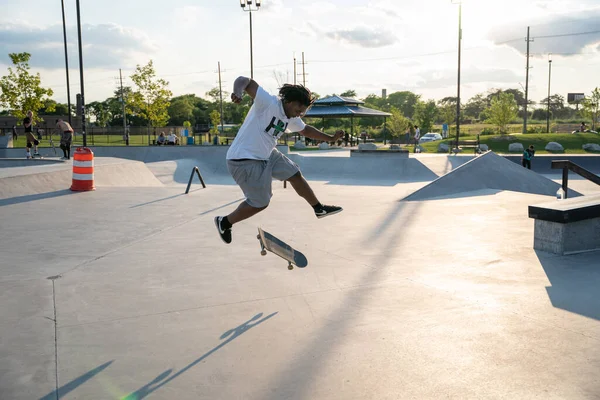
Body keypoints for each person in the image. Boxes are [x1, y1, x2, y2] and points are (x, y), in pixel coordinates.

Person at [214, 76, 344, 244]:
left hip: (267, 154)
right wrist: (237, 92)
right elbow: (244, 80)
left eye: (302, 112)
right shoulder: (268, 102)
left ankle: (318, 209)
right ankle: (225, 222)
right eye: (298, 110)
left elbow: (306, 130)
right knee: (260, 203)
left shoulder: (291, 118)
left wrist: (331, 138)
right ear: (289, 101)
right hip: (244, 159)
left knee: (294, 174)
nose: (299, 114)